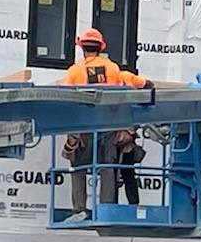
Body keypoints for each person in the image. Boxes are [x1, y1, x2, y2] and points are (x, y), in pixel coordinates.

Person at [59, 28, 150, 217]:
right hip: (108, 126)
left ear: (82, 48)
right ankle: (107, 208)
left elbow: (65, 99)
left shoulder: (75, 70)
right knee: (108, 167)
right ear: (101, 48)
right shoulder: (113, 69)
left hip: (82, 127)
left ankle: (79, 208)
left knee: (78, 167)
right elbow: (131, 90)